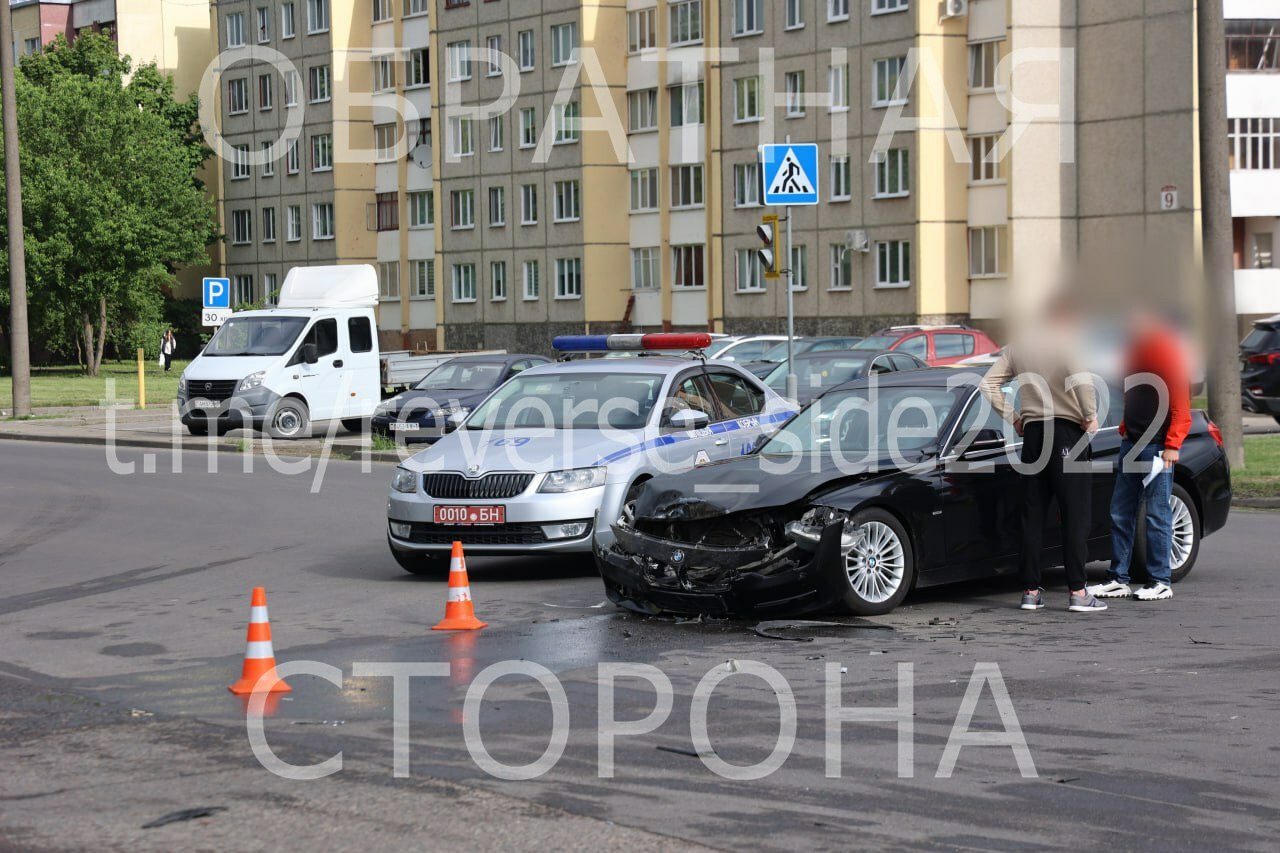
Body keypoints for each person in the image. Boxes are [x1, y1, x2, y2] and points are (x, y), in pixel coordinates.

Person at [980, 296, 1108, 613]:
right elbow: (1082, 383)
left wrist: (1014, 418)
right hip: (1067, 433)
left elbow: (987, 385)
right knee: (1075, 514)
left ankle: (1030, 591)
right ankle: (1078, 592)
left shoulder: (1019, 346)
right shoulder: (1067, 343)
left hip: (1034, 436)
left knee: (1033, 515)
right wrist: (1090, 416)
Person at [1088, 311, 1192, 601]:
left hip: (1157, 446)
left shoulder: (1167, 350)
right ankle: (1118, 578)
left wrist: (1172, 445)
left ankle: (1160, 580)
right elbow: (1131, 394)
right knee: (1120, 512)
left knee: (1158, 514)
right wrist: (1124, 428)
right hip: (1132, 443)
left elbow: (1181, 404)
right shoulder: (1133, 352)